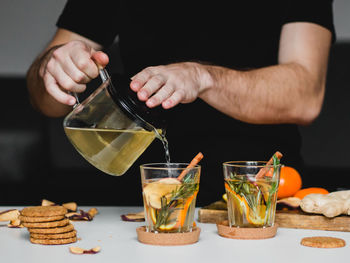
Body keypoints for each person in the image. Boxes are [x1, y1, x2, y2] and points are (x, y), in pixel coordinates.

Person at [26, 0, 335, 205]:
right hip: (140, 205)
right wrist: (53, 68)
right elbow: (47, 103)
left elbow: (305, 96)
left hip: (261, 200)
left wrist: (202, 78)